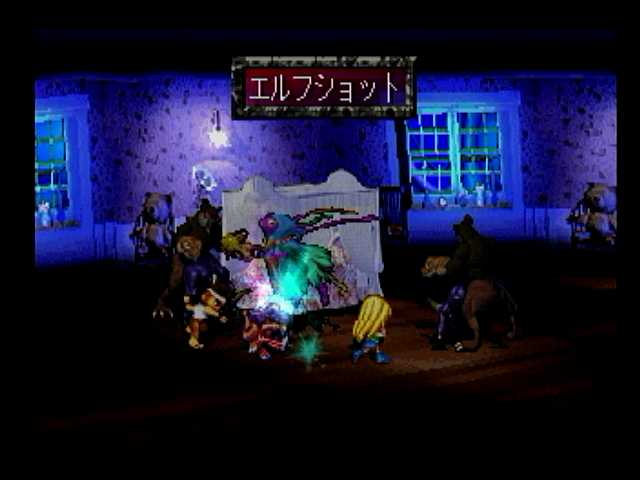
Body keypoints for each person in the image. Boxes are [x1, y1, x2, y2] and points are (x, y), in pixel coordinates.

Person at [351, 294, 392, 364]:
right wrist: (383, 333)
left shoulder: (363, 319)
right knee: (378, 336)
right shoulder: (381, 313)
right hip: (370, 338)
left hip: (362, 335)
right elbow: (382, 332)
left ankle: (359, 352)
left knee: (369, 343)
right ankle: (377, 355)